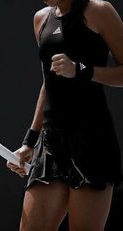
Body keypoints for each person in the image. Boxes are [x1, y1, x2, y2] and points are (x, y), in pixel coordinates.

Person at [7, 0, 123, 230]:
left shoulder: (99, 11)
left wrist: (81, 70)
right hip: (51, 143)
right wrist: (30, 142)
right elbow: (48, 83)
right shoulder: (40, 18)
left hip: (92, 141)